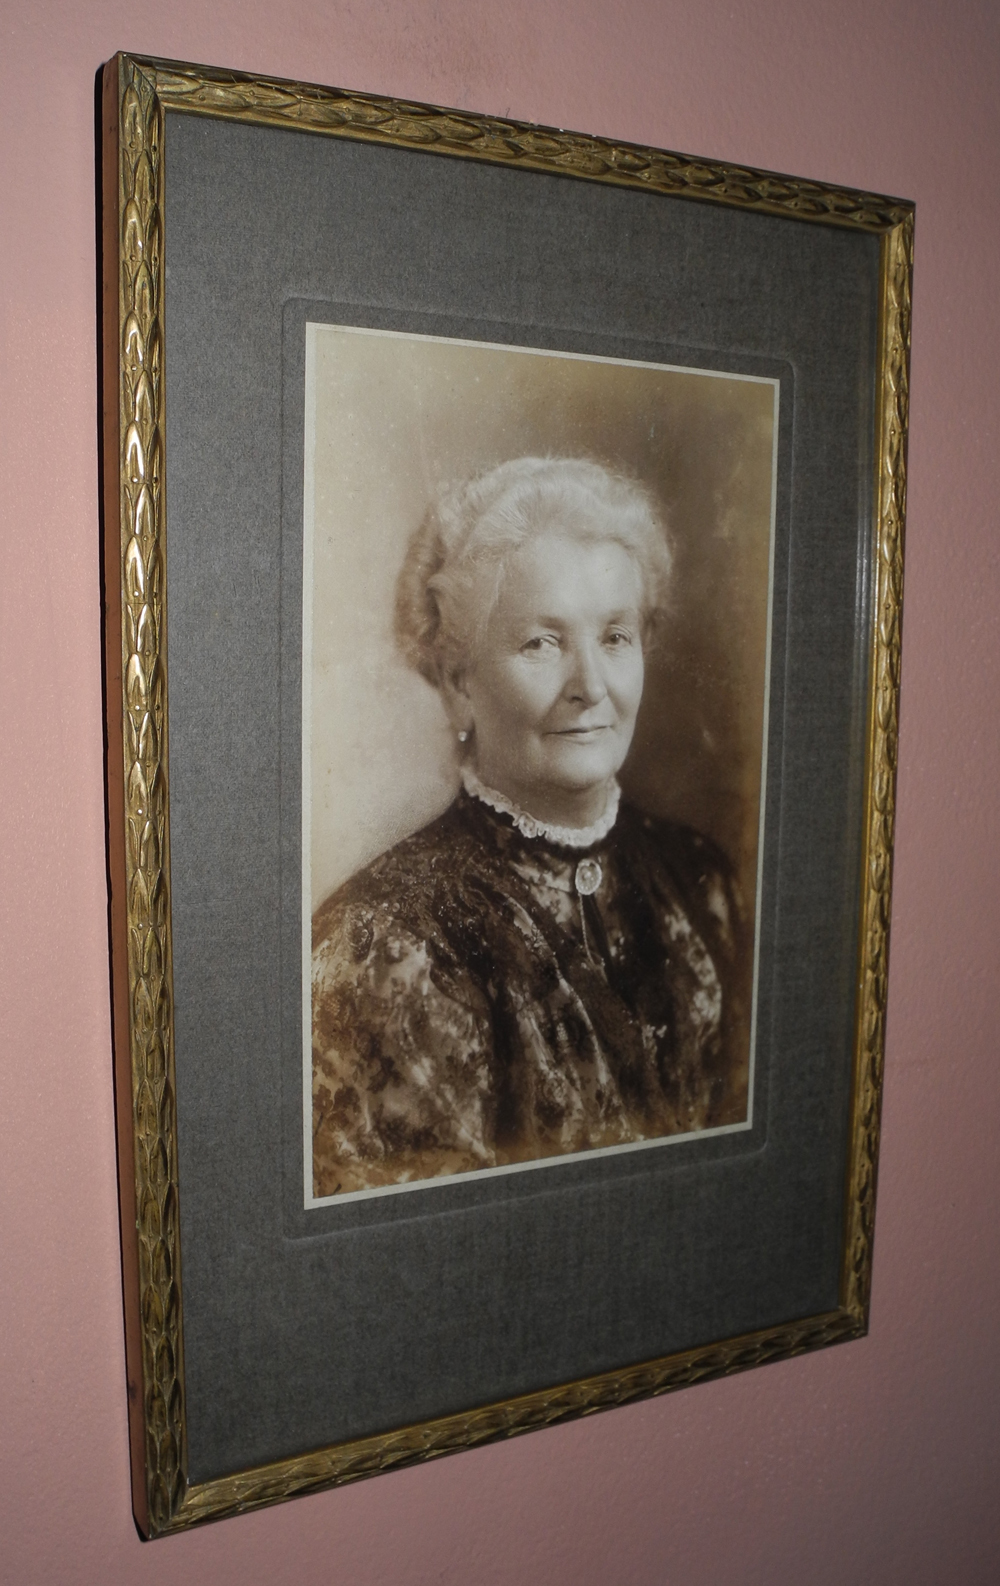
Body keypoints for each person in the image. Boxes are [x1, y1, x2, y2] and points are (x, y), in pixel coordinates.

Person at [312, 457, 748, 1197]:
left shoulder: (702, 882)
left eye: (615, 637)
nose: (591, 686)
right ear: (459, 684)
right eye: (541, 643)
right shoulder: (384, 942)